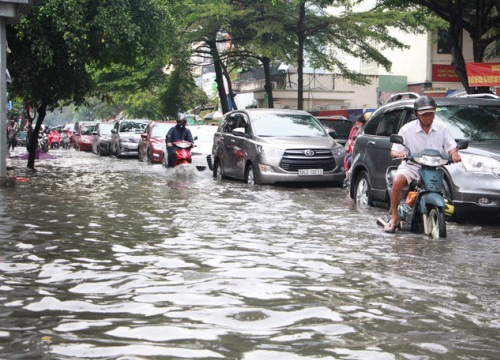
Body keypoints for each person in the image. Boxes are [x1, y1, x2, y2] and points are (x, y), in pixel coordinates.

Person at [384, 95, 461, 233]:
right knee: (397, 182)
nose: (428, 117)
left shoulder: (441, 128)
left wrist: (454, 154)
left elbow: (451, 146)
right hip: (411, 166)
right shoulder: (407, 129)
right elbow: (394, 150)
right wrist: (398, 154)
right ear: (417, 115)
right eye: (424, 114)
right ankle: (394, 217)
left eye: (431, 113)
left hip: (434, 168)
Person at [344, 112, 370, 184]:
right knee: (347, 158)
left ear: (362, 123)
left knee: (350, 160)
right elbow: (351, 138)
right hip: (355, 149)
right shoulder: (357, 129)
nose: (357, 125)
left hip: (360, 151)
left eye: (358, 123)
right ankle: (348, 178)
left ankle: (351, 178)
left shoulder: (364, 130)